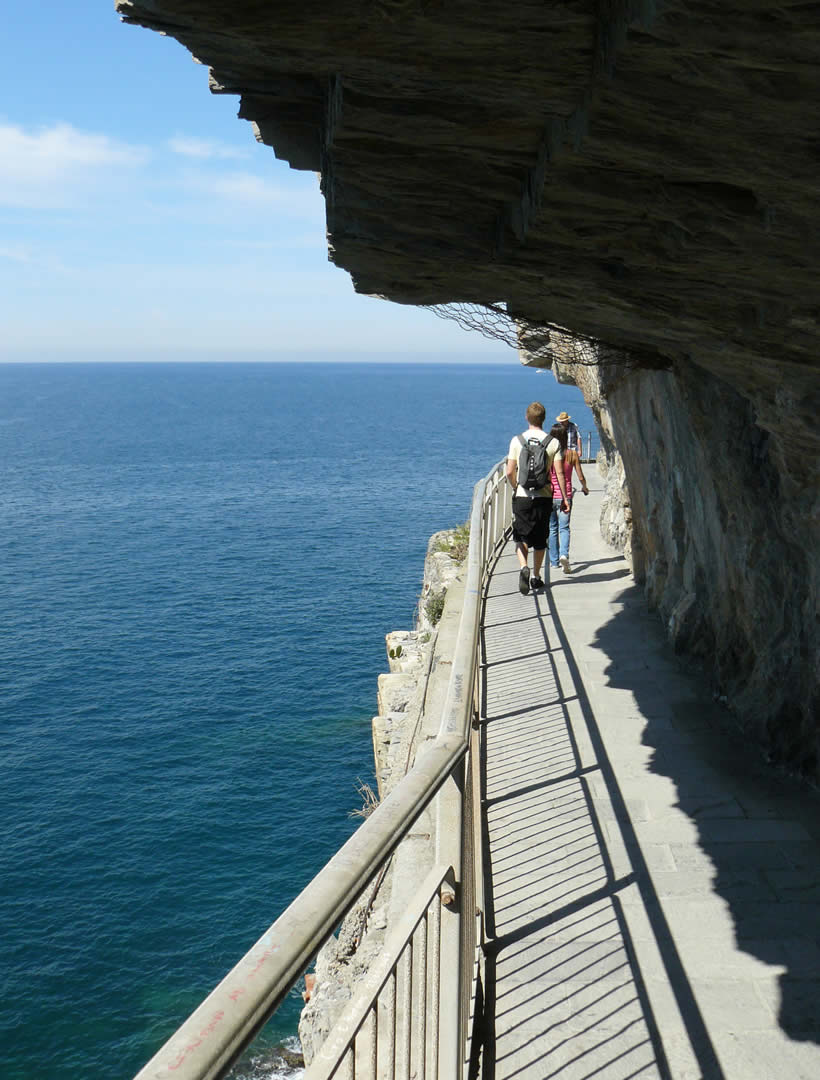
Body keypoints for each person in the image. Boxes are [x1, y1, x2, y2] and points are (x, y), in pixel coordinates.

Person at [506, 402, 568, 594]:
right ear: (544, 419)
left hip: (523, 496)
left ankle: (523, 566)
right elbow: (559, 473)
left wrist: (516, 486)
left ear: (527, 417)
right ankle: (536, 576)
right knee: (541, 539)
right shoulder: (553, 442)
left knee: (521, 536)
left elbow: (509, 471)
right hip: (544, 496)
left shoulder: (517, 441)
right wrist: (564, 498)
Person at [548, 424, 588, 574]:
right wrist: (585, 487)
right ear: (566, 438)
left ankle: (554, 561)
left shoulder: (548, 455)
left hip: (550, 496)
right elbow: (580, 476)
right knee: (564, 528)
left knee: (552, 528)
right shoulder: (572, 454)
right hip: (566, 496)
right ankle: (564, 554)